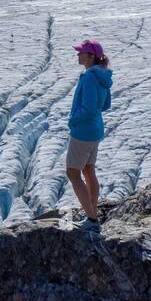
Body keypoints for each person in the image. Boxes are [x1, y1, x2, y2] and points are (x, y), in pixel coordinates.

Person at [66, 40, 112, 233]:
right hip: (95, 130)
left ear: (91, 56)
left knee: (73, 173)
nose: (78, 55)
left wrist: (73, 120)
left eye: (81, 52)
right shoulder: (103, 76)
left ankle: (92, 219)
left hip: (83, 132)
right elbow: (105, 105)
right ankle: (92, 213)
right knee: (88, 170)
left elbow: (90, 108)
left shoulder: (89, 78)